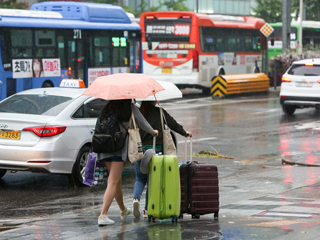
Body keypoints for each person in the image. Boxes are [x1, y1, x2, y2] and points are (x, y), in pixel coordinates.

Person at [97, 99, 158, 226]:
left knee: (116, 180)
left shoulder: (107, 108)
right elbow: (142, 122)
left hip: (105, 147)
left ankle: (123, 210)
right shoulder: (130, 108)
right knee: (113, 181)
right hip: (119, 149)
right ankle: (103, 215)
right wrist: (153, 131)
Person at [132, 101, 192, 218]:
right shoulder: (160, 112)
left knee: (139, 178)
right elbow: (173, 124)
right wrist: (185, 133)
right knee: (152, 180)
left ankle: (136, 199)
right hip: (155, 151)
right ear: (153, 100)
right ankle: (146, 209)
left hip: (139, 150)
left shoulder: (138, 113)